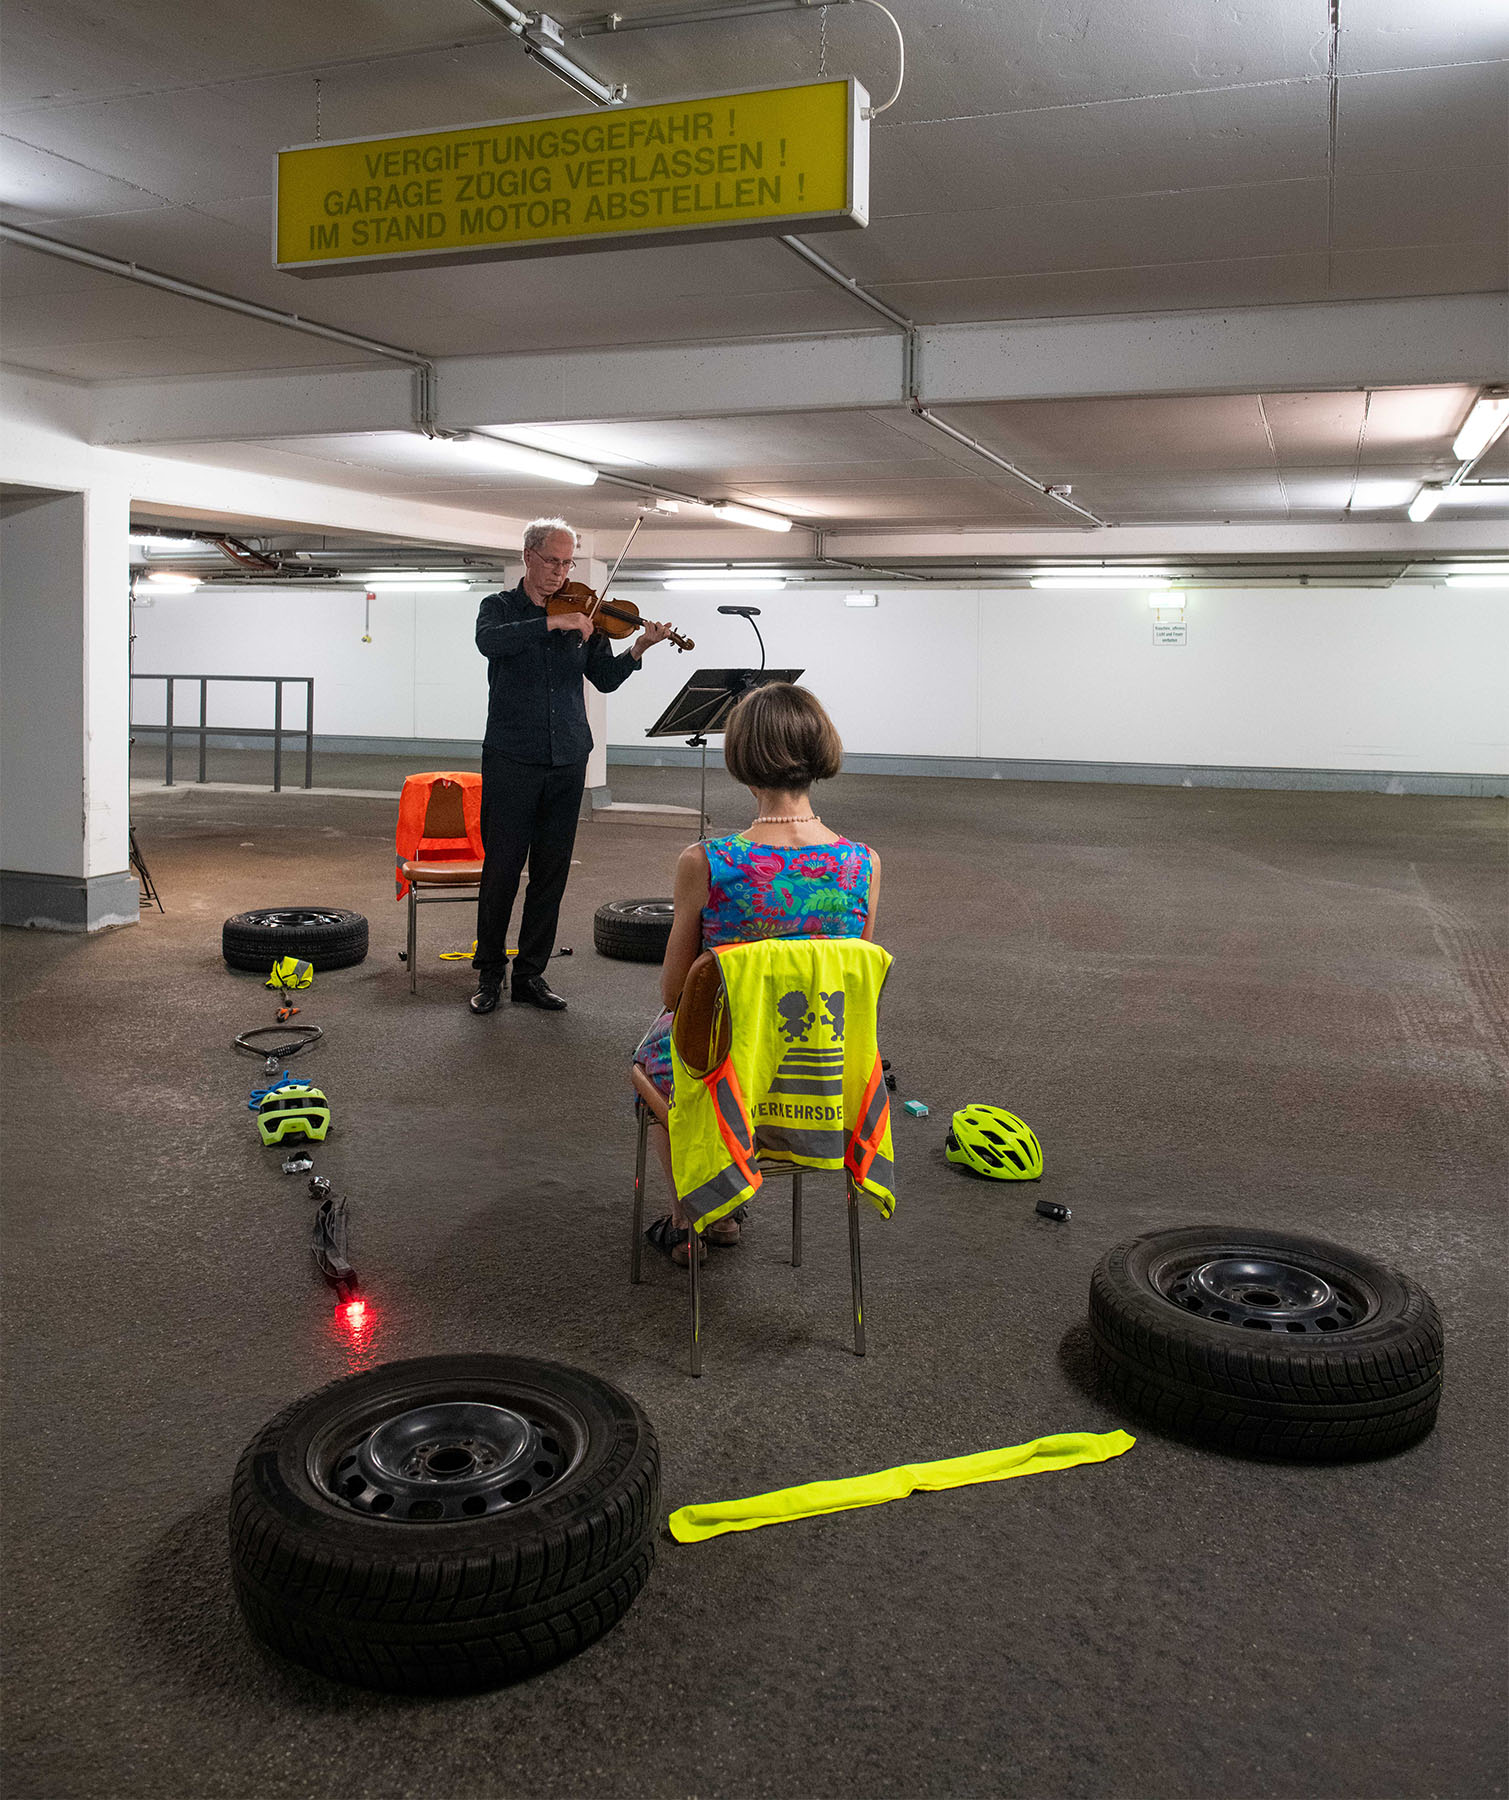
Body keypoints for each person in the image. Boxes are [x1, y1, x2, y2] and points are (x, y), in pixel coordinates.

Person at [631, 682, 881, 1264]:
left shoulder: (707, 863)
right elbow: (852, 984)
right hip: (819, 1071)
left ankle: (693, 1218)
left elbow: (675, 994)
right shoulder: (862, 864)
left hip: (727, 1070)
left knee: (653, 1057)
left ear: (742, 757)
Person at [470, 517, 674, 1014]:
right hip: (512, 756)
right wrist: (551, 623)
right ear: (528, 557)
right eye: (552, 562)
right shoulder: (499, 608)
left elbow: (604, 678)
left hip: (567, 757)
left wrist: (638, 649)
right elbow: (489, 643)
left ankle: (530, 975)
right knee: (501, 871)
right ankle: (490, 973)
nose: (560, 572)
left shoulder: (587, 615)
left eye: (567, 563)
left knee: (551, 873)